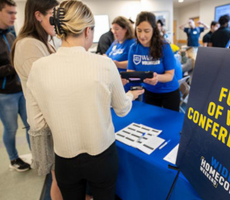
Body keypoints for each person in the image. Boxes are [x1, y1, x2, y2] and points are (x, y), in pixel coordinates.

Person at [25, 1, 143, 199]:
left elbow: (36, 123)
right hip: (102, 156)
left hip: (64, 158)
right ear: (88, 31)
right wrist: (131, 94)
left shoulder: (38, 68)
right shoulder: (104, 64)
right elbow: (122, 109)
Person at [11, 0, 63, 199]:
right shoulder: (29, 45)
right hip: (46, 125)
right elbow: (49, 87)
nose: (58, 20)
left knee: (60, 177)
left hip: (51, 121)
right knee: (58, 179)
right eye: (53, 13)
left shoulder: (43, 40)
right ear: (38, 15)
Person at [0, 0, 31, 172]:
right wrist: (14, 65)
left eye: (15, 12)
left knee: (30, 125)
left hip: (21, 90)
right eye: (9, 12)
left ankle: (36, 154)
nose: (14, 16)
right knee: (10, 129)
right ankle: (13, 159)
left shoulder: (12, 35)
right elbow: (12, 64)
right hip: (5, 94)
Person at [128, 11, 180, 111]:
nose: (142, 35)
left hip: (169, 92)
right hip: (149, 92)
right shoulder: (133, 48)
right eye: (139, 30)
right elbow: (131, 73)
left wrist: (157, 78)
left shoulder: (164, 46)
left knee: (169, 124)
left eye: (146, 31)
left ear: (154, 30)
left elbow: (170, 75)